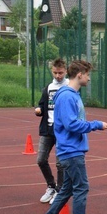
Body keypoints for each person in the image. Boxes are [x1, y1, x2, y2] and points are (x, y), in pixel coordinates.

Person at [39, 60, 107, 214]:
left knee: (67, 189)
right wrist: (96, 125)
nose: (88, 78)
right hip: (71, 152)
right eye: (87, 75)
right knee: (81, 188)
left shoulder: (72, 95)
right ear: (79, 74)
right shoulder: (67, 96)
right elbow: (70, 124)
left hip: (71, 150)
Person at [34, 58, 68, 203]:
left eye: (60, 73)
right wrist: (39, 110)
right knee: (41, 160)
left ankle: (60, 191)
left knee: (60, 163)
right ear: (52, 71)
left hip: (62, 130)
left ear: (65, 71)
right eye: (55, 73)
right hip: (47, 129)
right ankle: (51, 186)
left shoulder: (69, 87)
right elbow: (42, 105)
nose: (58, 76)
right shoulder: (48, 88)